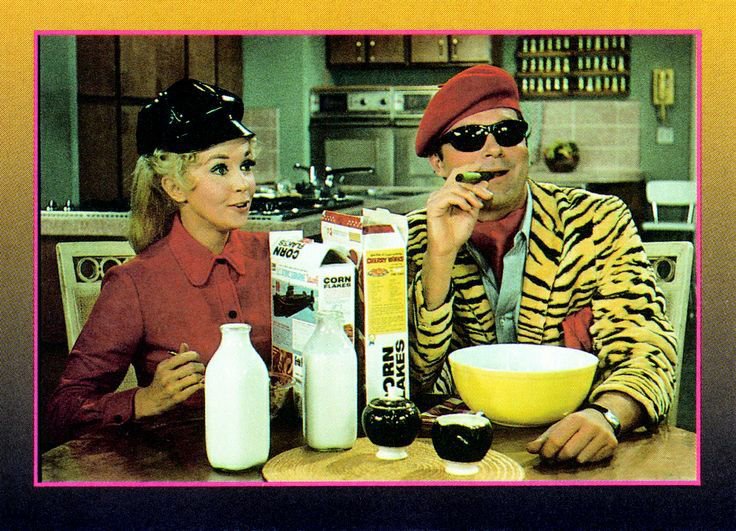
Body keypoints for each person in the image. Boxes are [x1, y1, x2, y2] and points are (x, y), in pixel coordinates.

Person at [407, 65, 677, 464]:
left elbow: (646, 347)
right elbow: (411, 379)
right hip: (457, 452)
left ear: (526, 146)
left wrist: (607, 415)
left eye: (508, 132)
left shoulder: (596, 221)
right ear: (437, 162)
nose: (493, 149)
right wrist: (440, 257)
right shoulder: (415, 237)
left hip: (575, 445)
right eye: (469, 138)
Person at [46, 79, 271, 445]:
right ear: (175, 187)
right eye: (220, 168)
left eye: (246, 164)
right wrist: (144, 401)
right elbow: (61, 412)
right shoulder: (134, 284)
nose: (243, 184)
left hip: (280, 459)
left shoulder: (278, 257)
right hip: (183, 468)